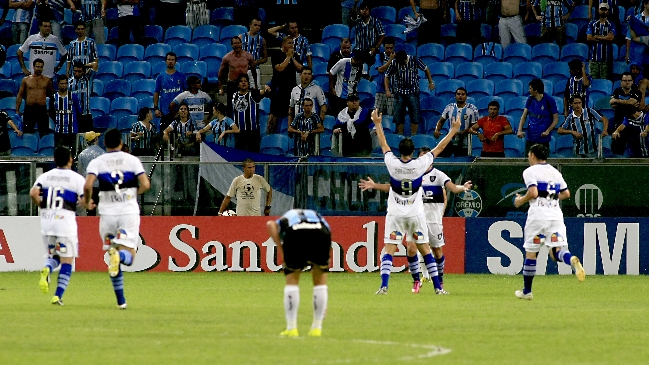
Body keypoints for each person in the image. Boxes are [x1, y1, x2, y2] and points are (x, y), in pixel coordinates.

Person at [370, 109, 461, 295]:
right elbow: (440, 148)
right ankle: (438, 288)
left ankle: (384, 286)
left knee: (390, 249)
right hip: (415, 215)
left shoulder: (392, 164)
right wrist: (452, 131)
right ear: (413, 152)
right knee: (425, 250)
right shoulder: (420, 165)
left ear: (400, 151)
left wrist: (378, 124)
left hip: (395, 214)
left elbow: (384, 145)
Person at [359, 147, 472, 291]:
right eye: (422, 156)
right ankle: (417, 280)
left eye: (426, 156)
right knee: (412, 249)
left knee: (437, 251)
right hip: (416, 218)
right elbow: (393, 187)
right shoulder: (412, 173)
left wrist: (462, 187)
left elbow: (452, 189)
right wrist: (375, 186)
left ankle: (440, 281)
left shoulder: (438, 175)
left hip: (432, 221)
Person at [84, 128, 150, 309]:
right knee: (128, 256)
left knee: (112, 257)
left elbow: (88, 184)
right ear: (121, 143)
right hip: (127, 212)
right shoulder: (132, 161)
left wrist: (88, 199)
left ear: (105, 144)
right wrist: (133, 193)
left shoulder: (97, 162)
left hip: (107, 214)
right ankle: (119, 256)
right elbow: (145, 184)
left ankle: (121, 301)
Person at [513, 143, 585, 300]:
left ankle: (527, 291)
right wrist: (550, 198)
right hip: (555, 217)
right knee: (556, 252)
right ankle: (571, 259)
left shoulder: (530, 171)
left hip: (538, 218)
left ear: (532, 155)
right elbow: (566, 194)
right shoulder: (555, 172)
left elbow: (533, 192)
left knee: (532, 253)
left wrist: (521, 201)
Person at [32, 147, 88, 306]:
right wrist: (87, 204)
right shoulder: (76, 178)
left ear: (55, 160)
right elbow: (84, 201)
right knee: (67, 260)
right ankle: (58, 295)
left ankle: (48, 268)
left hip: (47, 222)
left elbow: (33, 193)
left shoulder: (45, 176)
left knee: (54, 256)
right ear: (71, 159)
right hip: (65, 222)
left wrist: (42, 205)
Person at [266, 209, 332, 337]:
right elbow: (328, 234)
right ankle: (317, 328)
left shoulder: (288, 216)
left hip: (296, 232)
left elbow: (270, 225)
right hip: (321, 232)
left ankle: (291, 328)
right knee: (320, 282)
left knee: (292, 280)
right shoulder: (317, 216)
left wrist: (281, 250)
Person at [384, 50, 435, 136]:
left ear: (406, 58)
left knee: (415, 114)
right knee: (399, 115)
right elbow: (387, 76)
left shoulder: (414, 60)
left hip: (413, 91)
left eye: (403, 62)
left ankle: (413, 136)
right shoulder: (394, 62)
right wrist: (387, 90)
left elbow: (426, 69)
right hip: (399, 92)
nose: (402, 65)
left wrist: (431, 82)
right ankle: (400, 136)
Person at [268, 36, 302, 134]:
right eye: (290, 43)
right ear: (283, 45)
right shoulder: (276, 54)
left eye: (293, 43)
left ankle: (292, 135)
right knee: (274, 114)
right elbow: (279, 68)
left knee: (291, 112)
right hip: (278, 89)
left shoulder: (295, 55)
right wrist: (288, 57)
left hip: (291, 89)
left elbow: (300, 69)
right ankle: (269, 135)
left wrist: (292, 58)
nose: (292, 45)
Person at [517, 78, 559, 155]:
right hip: (530, 138)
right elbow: (524, 115)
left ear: (535, 90)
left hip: (543, 139)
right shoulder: (530, 99)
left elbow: (556, 119)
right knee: (529, 164)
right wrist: (519, 130)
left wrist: (547, 131)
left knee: (542, 164)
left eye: (530, 88)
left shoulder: (549, 100)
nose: (529, 91)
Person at [433, 87, 479, 157]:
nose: (460, 96)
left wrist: (462, 132)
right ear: (455, 96)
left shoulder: (472, 109)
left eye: (463, 94)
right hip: (450, 141)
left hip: (465, 143)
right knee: (441, 158)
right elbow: (441, 121)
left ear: (466, 97)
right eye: (458, 94)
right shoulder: (449, 107)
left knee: (461, 163)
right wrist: (437, 130)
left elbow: (474, 126)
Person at [231, 74, 271, 152]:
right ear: (238, 84)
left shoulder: (253, 93)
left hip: (252, 132)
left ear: (248, 83)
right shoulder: (234, 95)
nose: (243, 83)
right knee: (240, 154)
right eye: (241, 81)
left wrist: (267, 89)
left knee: (253, 154)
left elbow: (263, 92)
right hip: (238, 131)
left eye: (245, 81)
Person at [16, 59, 55, 137]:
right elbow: (20, 95)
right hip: (29, 109)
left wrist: (51, 111)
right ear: (33, 67)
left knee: (44, 133)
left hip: (42, 109)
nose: (39, 68)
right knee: (27, 132)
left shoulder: (47, 80)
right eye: (37, 66)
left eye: (41, 67)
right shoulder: (26, 80)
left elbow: (52, 95)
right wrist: (17, 110)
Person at [217, 36, 255, 115]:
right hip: (232, 84)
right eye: (235, 43)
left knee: (246, 105)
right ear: (231, 45)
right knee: (231, 107)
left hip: (244, 83)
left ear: (241, 44)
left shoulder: (248, 56)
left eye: (238, 43)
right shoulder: (227, 58)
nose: (237, 45)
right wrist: (220, 87)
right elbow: (221, 73)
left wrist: (254, 85)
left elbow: (254, 71)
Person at [288, 66, 327, 131]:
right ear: (300, 75)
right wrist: (290, 126)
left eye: (309, 74)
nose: (307, 76)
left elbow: (323, 107)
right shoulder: (295, 90)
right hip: (298, 125)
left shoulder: (317, 89)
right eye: (305, 74)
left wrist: (319, 123)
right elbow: (291, 108)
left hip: (312, 125)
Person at [610, 72, 641, 153]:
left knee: (636, 150)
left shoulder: (637, 92)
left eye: (629, 80)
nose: (627, 82)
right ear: (621, 82)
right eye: (625, 80)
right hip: (619, 121)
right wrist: (627, 102)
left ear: (632, 81)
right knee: (617, 149)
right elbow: (612, 104)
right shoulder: (617, 91)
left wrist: (618, 102)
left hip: (633, 124)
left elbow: (631, 102)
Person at [154, 52, 185, 130]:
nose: (170, 61)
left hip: (178, 111)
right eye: (169, 59)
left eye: (172, 60)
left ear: (175, 61)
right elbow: (156, 92)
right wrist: (156, 108)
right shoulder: (160, 77)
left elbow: (186, 92)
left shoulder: (181, 76)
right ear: (166, 61)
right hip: (165, 111)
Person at [49, 75, 81, 149]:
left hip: (72, 130)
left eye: (65, 83)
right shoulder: (53, 97)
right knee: (59, 153)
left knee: (73, 154)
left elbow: (79, 112)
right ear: (58, 84)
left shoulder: (73, 96)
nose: (64, 85)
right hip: (59, 131)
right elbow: (51, 113)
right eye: (62, 84)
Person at [328, 51, 364, 117]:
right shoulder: (343, 62)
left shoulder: (360, 66)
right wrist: (331, 88)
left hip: (351, 97)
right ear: (354, 58)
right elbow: (331, 73)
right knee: (339, 117)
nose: (358, 63)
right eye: (357, 61)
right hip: (340, 97)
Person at [350, 1, 384, 69]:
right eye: (362, 9)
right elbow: (353, 15)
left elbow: (382, 36)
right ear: (359, 11)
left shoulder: (376, 21)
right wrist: (356, 3)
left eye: (366, 9)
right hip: (359, 51)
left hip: (371, 51)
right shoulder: (357, 21)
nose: (364, 11)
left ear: (369, 11)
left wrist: (375, 47)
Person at [76, 130, 104, 216]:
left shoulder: (82, 154)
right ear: (95, 139)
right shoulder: (102, 153)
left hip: (87, 186)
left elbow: (80, 172)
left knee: (89, 211)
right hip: (99, 186)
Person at [586, 3, 616, 81]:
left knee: (604, 81)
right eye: (601, 9)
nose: (603, 11)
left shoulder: (611, 24)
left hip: (606, 60)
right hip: (593, 60)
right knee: (592, 82)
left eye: (605, 9)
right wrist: (604, 37)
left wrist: (596, 36)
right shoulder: (592, 24)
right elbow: (589, 38)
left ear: (608, 11)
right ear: (598, 10)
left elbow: (610, 38)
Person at [239, 17, 268, 89]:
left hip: (255, 69)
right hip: (242, 68)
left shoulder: (262, 40)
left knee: (255, 90)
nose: (257, 27)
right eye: (255, 25)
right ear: (250, 25)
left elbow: (265, 58)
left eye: (259, 26)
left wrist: (256, 62)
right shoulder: (241, 37)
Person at [69, 61, 97, 133]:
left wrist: (84, 66)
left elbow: (95, 64)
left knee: (88, 138)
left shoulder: (87, 79)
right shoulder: (69, 83)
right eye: (75, 71)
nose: (77, 73)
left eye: (79, 71)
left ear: (83, 71)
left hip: (86, 115)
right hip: (74, 115)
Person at [374, 37, 395, 117]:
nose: (389, 50)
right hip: (380, 91)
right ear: (383, 47)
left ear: (394, 47)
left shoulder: (397, 58)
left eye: (391, 48)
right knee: (377, 115)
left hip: (392, 91)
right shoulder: (379, 56)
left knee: (390, 116)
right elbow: (381, 70)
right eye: (387, 48)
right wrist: (390, 60)